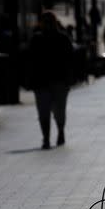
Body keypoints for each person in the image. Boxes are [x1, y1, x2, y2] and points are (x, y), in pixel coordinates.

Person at [28, 11, 74, 149]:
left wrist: (69, 79)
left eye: (49, 21)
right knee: (43, 112)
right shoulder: (36, 39)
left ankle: (60, 131)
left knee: (59, 111)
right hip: (42, 82)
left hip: (59, 81)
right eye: (45, 21)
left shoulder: (63, 38)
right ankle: (46, 138)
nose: (47, 25)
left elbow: (70, 61)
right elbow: (30, 61)